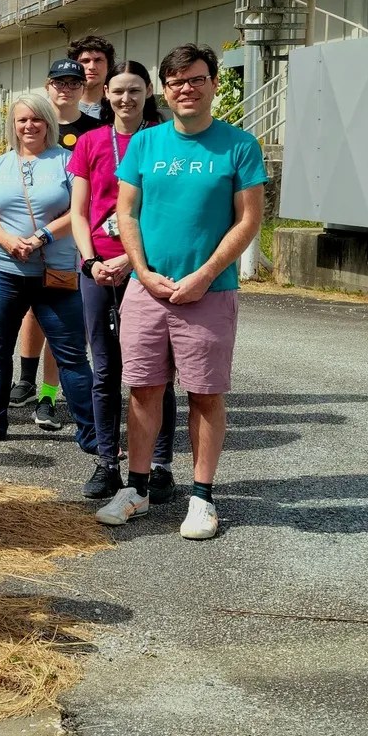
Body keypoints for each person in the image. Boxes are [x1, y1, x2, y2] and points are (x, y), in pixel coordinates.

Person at [104, 43, 267, 541]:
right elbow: (126, 213)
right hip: (146, 289)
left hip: (209, 292)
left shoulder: (239, 145)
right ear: (165, 90)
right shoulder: (146, 144)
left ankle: (202, 498)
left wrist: (204, 274)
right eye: (176, 82)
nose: (186, 89)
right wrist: (141, 270)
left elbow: (249, 219)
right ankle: (136, 488)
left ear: (214, 83)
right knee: (143, 390)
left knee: (205, 394)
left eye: (196, 79)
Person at [70, 62, 179, 503]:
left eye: (134, 90)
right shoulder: (91, 142)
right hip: (97, 269)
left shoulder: (163, 141)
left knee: (155, 374)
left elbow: (167, 213)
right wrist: (93, 260)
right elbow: (79, 212)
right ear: (105, 94)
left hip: (147, 268)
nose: (125, 99)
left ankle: (161, 465)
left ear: (148, 91)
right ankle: (106, 462)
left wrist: (130, 262)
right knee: (105, 368)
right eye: (117, 91)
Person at [0, 92, 96, 451]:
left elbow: (79, 212)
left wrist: (40, 237)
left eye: (36, 119)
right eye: (22, 120)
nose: (29, 125)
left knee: (71, 353)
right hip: (4, 270)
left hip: (54, 272)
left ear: (49, 123)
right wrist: (10, 241)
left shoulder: (67, 162)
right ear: (13, 125)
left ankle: (92, 431)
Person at [12, 58, 109, 429]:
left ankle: (50, 394)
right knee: (30, 315)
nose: (65, 88)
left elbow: (98, 193)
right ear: (47, 85)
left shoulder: (94, 131)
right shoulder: (32, 125)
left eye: (73, 82)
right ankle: (25, 380)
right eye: (58, 82)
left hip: (70, 244)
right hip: (23, 250)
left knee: (62, 322)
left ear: (83, 87)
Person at [69, 34, 116, 121]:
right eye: (85, 61)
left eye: (98, 60)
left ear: (109, 66)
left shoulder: (118, 108)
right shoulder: (62, 107)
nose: (92, 67)